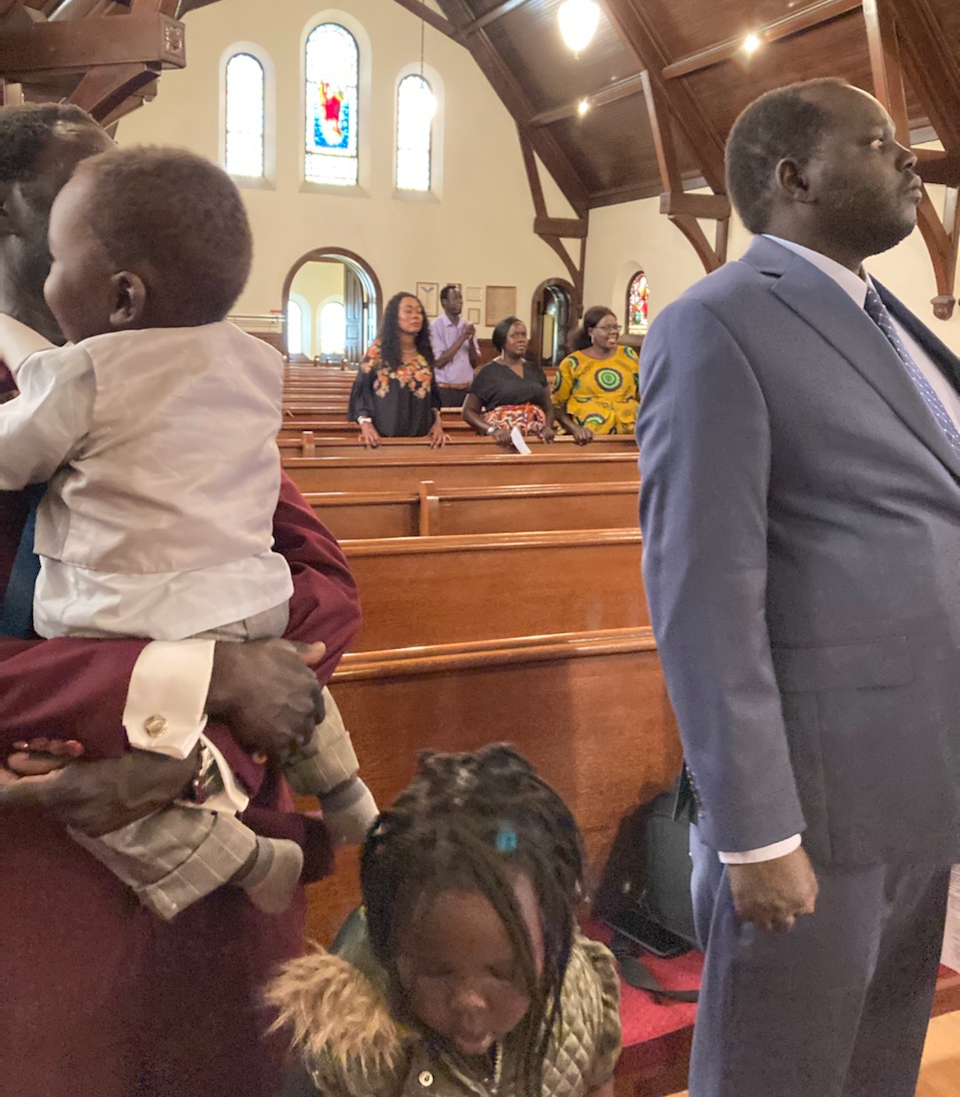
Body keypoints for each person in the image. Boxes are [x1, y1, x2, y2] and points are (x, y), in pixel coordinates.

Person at [0, 102, 362, 1097]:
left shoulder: (172, 372)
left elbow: (323, 582)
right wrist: (201, 672)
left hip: (227, 850)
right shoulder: (38, 392)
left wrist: (235, 695)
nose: (102, 189)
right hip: (44, 869)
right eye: (70, 185)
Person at [636, 78, 960, 1097]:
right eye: (877, 141)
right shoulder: (715, 324)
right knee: (777, 1073)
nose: (909, 157)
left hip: (919, 789)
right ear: (794, 177)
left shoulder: (890, 319)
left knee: (878, 1068)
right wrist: (756, 827)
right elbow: (704, 593)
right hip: (813, 809)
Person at [265, 744, 621, 1097]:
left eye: (502, 972)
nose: (469, 1002)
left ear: (549, 937)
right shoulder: (358, 1052)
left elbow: (595, 1079)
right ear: (391, 948)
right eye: (437, 972)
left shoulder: (576, 1000)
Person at [348, 291, 447, 447]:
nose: (415, 316)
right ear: (394, 317)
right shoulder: (377, 352)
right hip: (382, 440)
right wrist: (365, 424)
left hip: (421, 441)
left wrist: (437, 423)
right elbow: (361, 391)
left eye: (419, 311)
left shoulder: (424, 353)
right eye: (408, 311)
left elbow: (432, 395)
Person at [463, 315, 563, 446]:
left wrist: (548, 426)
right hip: (502, 441)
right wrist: (493, 431)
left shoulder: (534, 369)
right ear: (502, 340)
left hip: (535, 440)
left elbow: (549, 408)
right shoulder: (487, 373)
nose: (521, 340)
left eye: (523, 335)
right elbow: (468, 412)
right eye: (514, 335)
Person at [551, 307, 640, 441]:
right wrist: (575, 429)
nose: (613, 332)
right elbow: (556, 406)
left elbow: (642, 393)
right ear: (591, 331)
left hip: (628, 435)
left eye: (616, 327)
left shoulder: (628, 355)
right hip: (588, 438)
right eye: (607, 328)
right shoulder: (573, 363)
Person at [430, 283, 480, 408]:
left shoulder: (467, 325)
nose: (460, 302)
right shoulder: (435, 327)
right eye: (456, 298)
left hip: (466, 390)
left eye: (461, 298)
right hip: (445, 391)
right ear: (444, 302)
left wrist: (470, 340)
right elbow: (439, 362)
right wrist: (462, 337)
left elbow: (476, 362)